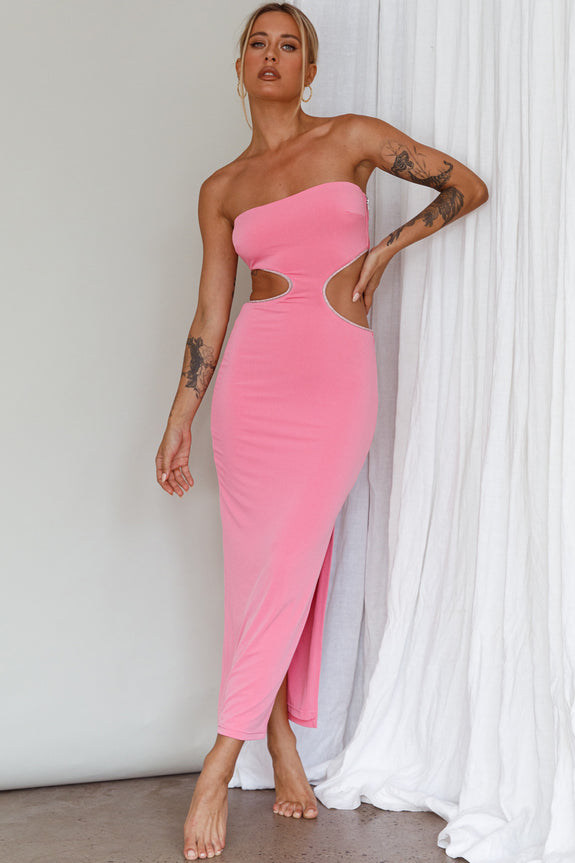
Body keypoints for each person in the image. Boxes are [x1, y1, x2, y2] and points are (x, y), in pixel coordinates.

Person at [155, 3, 488, 859]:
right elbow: (210, 313)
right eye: (256, 44)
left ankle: (217, 763)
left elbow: (465, 185)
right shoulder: (221, 189)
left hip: (334, 376)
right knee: (257, 575)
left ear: (310, 69)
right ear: (240, 66)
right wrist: (181, 417)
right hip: (250, 385)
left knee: (291, 561)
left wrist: (383, 250)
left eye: (288, 45)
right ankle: (279, 742)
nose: (271, 56)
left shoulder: (351, 138)